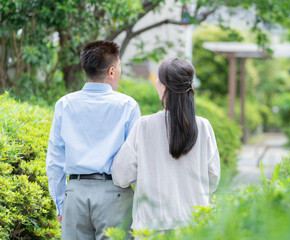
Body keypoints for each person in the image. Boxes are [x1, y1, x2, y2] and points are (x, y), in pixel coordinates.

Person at [111, 58, 220, 232]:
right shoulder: (203, 127)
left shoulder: (144, 126)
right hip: (194, 226)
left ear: (163, 87)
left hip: (152, 227)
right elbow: (212, 179)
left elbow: (121, 176)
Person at [46, 40, 141, 240]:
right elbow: (137, 160)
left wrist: (61, 204)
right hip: (115, 194)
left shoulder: (65, 104)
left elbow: (55, 159)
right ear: (112, 71)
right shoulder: (127, 105)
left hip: (75, 193)